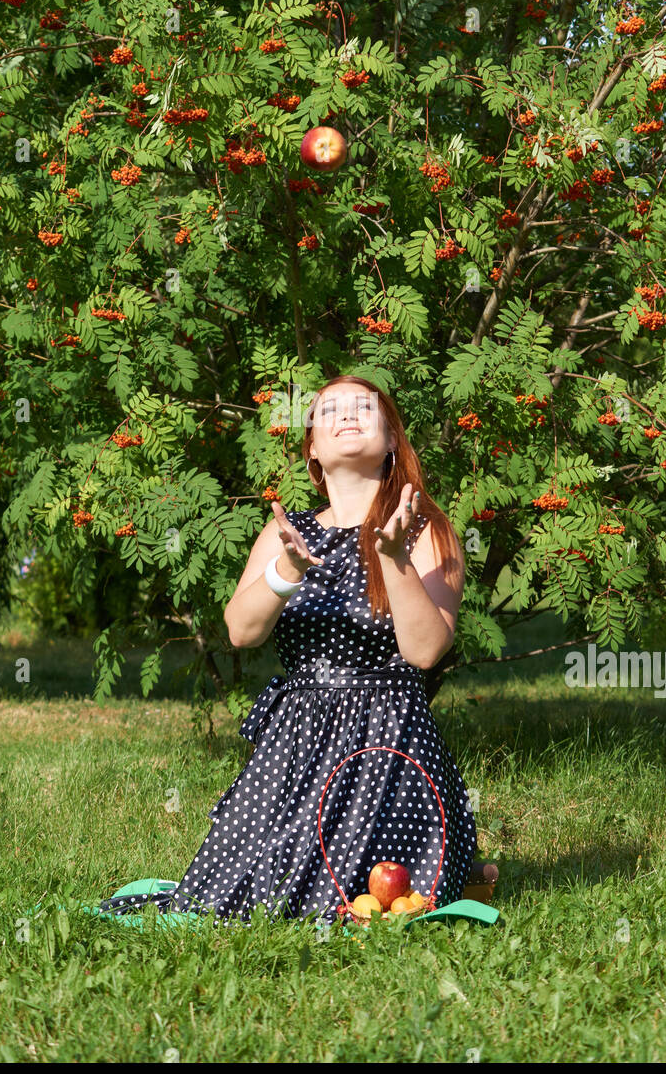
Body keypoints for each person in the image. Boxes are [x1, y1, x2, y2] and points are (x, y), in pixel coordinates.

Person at [97, 375, 479, 927]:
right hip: (297, 738)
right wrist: (287, 570)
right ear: (314, 453)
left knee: (338, 892)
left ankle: (459, 864)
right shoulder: (287, 533)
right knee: (235, 885)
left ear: (393, 439)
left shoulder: (425, 530)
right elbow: (240, 631)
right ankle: (471, 870)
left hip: (388, 738)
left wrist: (394, 559)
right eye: (330, 411)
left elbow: (424, 652)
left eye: (364, 407)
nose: (348, 415)